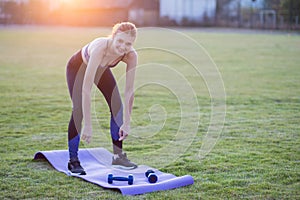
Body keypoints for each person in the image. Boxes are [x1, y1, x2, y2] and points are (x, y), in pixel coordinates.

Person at [66, 22, 138, 175]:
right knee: (78, 110)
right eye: (119, 40)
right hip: (78, 68)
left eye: (128, 43)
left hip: (101, 68)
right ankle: (73, 160)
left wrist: (127, 122)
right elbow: (86, 90)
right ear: (113, 36)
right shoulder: (100, 47)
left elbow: (129, 91)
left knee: (117, 105)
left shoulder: (131, 55)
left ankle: (118, 156)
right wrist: (89, 125)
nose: (122, 46)